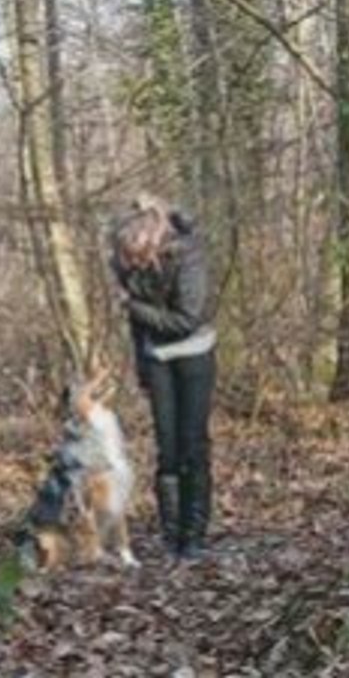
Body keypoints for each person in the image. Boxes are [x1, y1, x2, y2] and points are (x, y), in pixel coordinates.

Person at [110, 196, 217, 560]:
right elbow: (136, 326)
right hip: (156, 357)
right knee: (167, 449)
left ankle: (194, 535)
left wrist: (134, 306)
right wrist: (142, 365)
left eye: (139, 256)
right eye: (127, 258)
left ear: (153, 240)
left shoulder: (188, 254)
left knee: (193, 445)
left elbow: (187, 319)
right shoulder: (124, 260)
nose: (133, 264)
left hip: (194, 353)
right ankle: (171, 535)